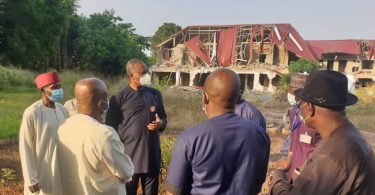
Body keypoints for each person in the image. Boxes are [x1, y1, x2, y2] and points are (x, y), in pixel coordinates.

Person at [165, 68, 270, 195]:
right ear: (238, 98)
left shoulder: (189, 139)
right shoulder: (260, 135)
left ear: (204, 98)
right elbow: (258, 184)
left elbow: (174, 191)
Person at [269, 70, 375, 194]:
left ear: (309, 108)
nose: (299, 107)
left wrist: (278, 174)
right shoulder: (352, 136)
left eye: (301, 103)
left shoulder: (330, 155)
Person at [57, 78, 134, 195]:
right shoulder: (103, 134)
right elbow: (125, 171)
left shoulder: (63, 127)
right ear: (101, 104)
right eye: (106, 100)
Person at [105, 59, 167, 195]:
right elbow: (109, 129)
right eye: (142, 73)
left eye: (146, 72)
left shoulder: (155, 94)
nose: (146, 75)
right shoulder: (119, 98)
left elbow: (163, 119)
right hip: (128, 159)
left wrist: (160, 123)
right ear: (131, 76)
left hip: (152, 158)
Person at [19, 72, 67, 195]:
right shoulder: (32, 112)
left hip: (61, 168)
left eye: (60, 86)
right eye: (54, 87)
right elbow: (25, 146)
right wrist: (31, 178)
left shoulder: (62, 110)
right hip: (41, 170)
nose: (59, 90)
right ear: (43, 89)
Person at [279, 73, 321, 180]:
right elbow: (293, 140)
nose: (292, 95)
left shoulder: (317, 116)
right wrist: (289, 159)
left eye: (295, 92)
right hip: (294, 166)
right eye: (291, 91)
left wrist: (304, 169)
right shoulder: (294, 112)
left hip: (309, 170)